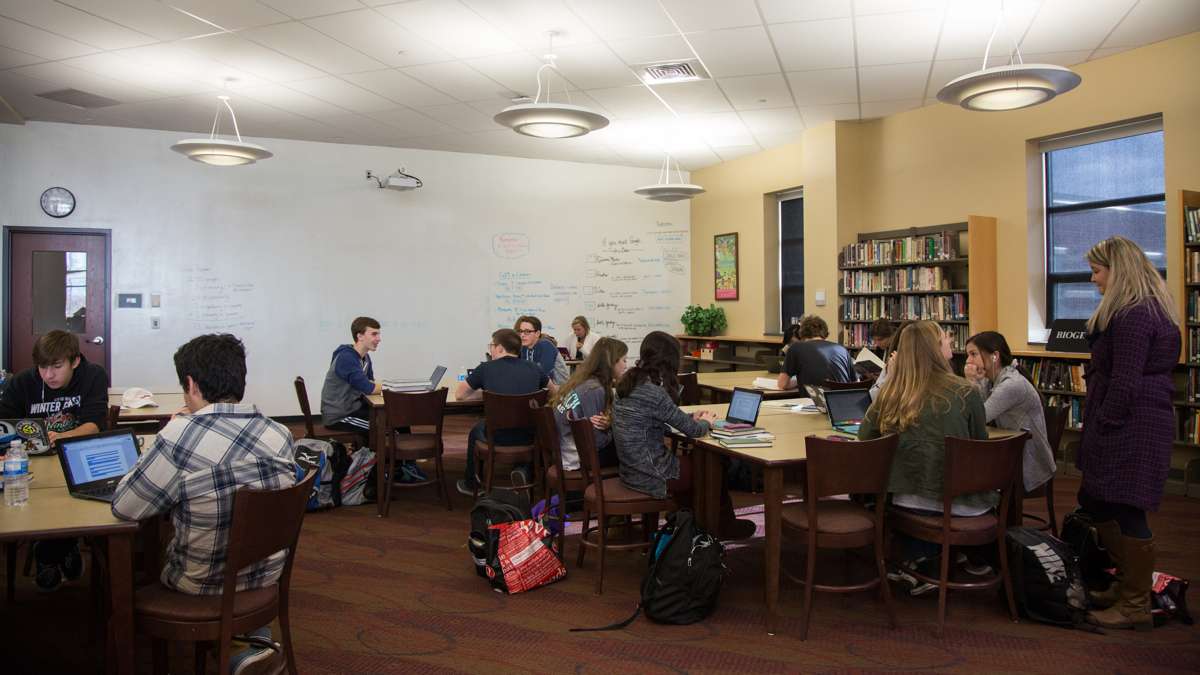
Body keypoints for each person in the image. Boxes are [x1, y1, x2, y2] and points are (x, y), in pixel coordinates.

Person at [111, 334, 296, 674]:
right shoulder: (280, 434)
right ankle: (245, 640)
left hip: (201, 585)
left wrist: (166, 440)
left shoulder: (179, 436)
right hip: (265, 576)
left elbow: (125, 507)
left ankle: (235, 643)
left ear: (191, 385)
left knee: (148, 548)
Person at [1075, 236, 1179, 631]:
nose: (1092, 279)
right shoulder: (1147, 309)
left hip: (1131, 423)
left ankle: (1135, 602)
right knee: (1098, 499)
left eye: (1097, 271)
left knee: (1128, 507)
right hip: (1133, 418)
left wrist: (1105, 423)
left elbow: (1126, 381)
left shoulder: (1134, 315)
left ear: (1118, 272)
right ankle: (1126, 586)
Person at [857, 321, 990, 595]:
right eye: (945, 339)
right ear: (934, 349)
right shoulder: (967, 392)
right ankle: (960, 557)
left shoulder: (892, 392)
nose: (950, 342)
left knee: (911, 490)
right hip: (965, 502)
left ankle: (917, 561)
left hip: (909, 498)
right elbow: (980, 447)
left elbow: (865, 438)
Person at [612, 331, 755, 538]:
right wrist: (707, 420)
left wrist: (688, 415)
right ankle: (721, 525)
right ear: (669, 360)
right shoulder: (654, 391)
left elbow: (654, 417)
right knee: (712, 463)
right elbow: (695, 431)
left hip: (631, 469)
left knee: (697, 464)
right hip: (653, 474)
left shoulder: (628, 383)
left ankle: (692, 521)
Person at [0, 330, 108, 591]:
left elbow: (93, 425)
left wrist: (60, 436)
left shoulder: (92, 375)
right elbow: (5, 425)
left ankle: (49, 555)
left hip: (77, 455)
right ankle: (62, 550)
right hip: (31, 462)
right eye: (43, 367)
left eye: (57, 367)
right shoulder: (23, 382)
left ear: (75, 362)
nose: (48, 375)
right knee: (40, 499)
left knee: (67, 497)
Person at [320, 316, 423, 482]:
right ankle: (387, 472)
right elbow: (368, 387)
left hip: (353, 407)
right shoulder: (347, 357)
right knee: (384, 429)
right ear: (360, 336)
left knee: (399, 419)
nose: (379, 339)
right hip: (340, 414)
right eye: (374, 334)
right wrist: (395, 387)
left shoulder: (364, 358)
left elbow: (371, 385)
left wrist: (388, 388)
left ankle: (406, 466)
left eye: (378, 334)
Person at [455, 328, 549, 496]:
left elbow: (460, 395)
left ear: (499, 348)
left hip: (497, 437)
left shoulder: (485, 368)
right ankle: (524, 470)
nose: (490, 349)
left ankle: (471, 484)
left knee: (475, 431)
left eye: (492, 345)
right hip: (530, 436)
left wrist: (486, 393)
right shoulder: (535, 368)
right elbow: (554, 392)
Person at [963, 331, 1056, 493]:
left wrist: (971, 381)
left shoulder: (1011, 385)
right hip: (1011, 454)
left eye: (973, 354)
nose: (968, 361)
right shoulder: (992, 380)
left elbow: (978, 417)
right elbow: (976, 407)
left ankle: (989, 513)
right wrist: (977, 381)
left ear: (994, 357)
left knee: (967, 470)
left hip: (1027, 464)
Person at [550, 337, 627, 471]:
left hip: (566, 450)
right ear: (612, 362)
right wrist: (613, 428)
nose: (626, 365)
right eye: (624, 360)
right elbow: (597, 442)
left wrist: (609, 424)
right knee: (633, 446)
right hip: (578, 457)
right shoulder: (595, 390)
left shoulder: (584, 381)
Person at [774, 315, 854, 391]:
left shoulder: (796, 348)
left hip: (815, 402)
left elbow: (782, 384)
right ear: (825, 332)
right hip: (844, 401)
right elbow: (853, 381)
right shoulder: (842, 349)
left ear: (801, 333)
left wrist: (798, 382)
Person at [515, 315, 566, 387]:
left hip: (559, 390)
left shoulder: (546, 345)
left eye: (527, 331)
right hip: (539, 389)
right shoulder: (524, 348)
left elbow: (544, 376)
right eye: (520, 331)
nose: (522, 335)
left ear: (537, 334)